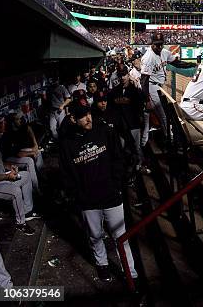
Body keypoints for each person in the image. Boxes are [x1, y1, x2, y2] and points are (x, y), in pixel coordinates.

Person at [58, 102, 138, 283]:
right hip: (88, 200)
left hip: (111, 195)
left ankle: (130, 272)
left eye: (89, 114)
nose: (88, 119)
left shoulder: (104, 131)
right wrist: (77, 195)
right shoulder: (67, 143)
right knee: (95, 235)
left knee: (121, 236)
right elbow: (66, 173)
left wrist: (117, 184)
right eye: (82, 116)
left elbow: (118, 158)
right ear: (73, 119)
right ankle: (102, 265)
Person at [0, 116, 37, 236]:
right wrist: (7, 177)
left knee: (26, 176)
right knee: (15, 191)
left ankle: (27, 210)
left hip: (3, 177)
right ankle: (21, 223)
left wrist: (10, 167)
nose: (2, 131)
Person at [140, 33, 177, 146]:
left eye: (161, 44)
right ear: (152, 44)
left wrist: (191, 66)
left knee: (152, 118)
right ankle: (169, 140)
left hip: (158, 86)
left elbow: (175, 62)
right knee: (163, 115)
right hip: (150, 87)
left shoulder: (164, 52)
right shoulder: (148, 57)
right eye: (157, 45)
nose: (159, 47)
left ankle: (145, 143)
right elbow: (144, 81)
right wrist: (146, 101)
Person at [108, 67, 146, 175]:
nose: (122, 77)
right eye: (120, 75)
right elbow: (110, 108)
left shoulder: (134, 90)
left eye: (124, 75)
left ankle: (139, 165)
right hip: (120, 125)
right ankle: (126, 168)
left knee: (136, 147)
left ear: (128, 75)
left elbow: (141, 104)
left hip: (133, 124)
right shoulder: (114, 91)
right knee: (122, 148)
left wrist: (137, 86)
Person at [0, 111, 41, 192]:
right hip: (9, 158)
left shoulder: (22, 127)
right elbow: (19, 154)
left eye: (19, 119)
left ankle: (40, 175)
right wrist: (32, 152)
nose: (20, 121)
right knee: (29, 161)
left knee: (38, 152)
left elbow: (29, 129)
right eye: (17, 119)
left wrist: (35, 146)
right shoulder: (8, 134)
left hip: (18, 153)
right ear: (12, 122)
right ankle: (36, 188)